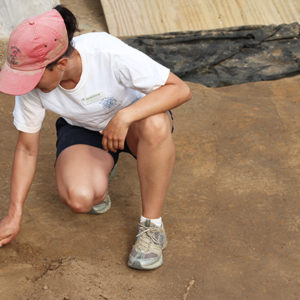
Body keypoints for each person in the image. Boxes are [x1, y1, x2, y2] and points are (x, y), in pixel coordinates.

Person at [0, 5, 191, 270]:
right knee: (80, 198)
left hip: (136, 124)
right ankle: (102, 169)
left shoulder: (106, 52)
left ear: (62, 64)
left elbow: (179, 89)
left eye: (33, 76)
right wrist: (13, 213)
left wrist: (124, 117)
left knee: (156, 124)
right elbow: (27, 150)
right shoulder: (31, 85)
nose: (27, 85)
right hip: (86, 129)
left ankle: (152, 226)